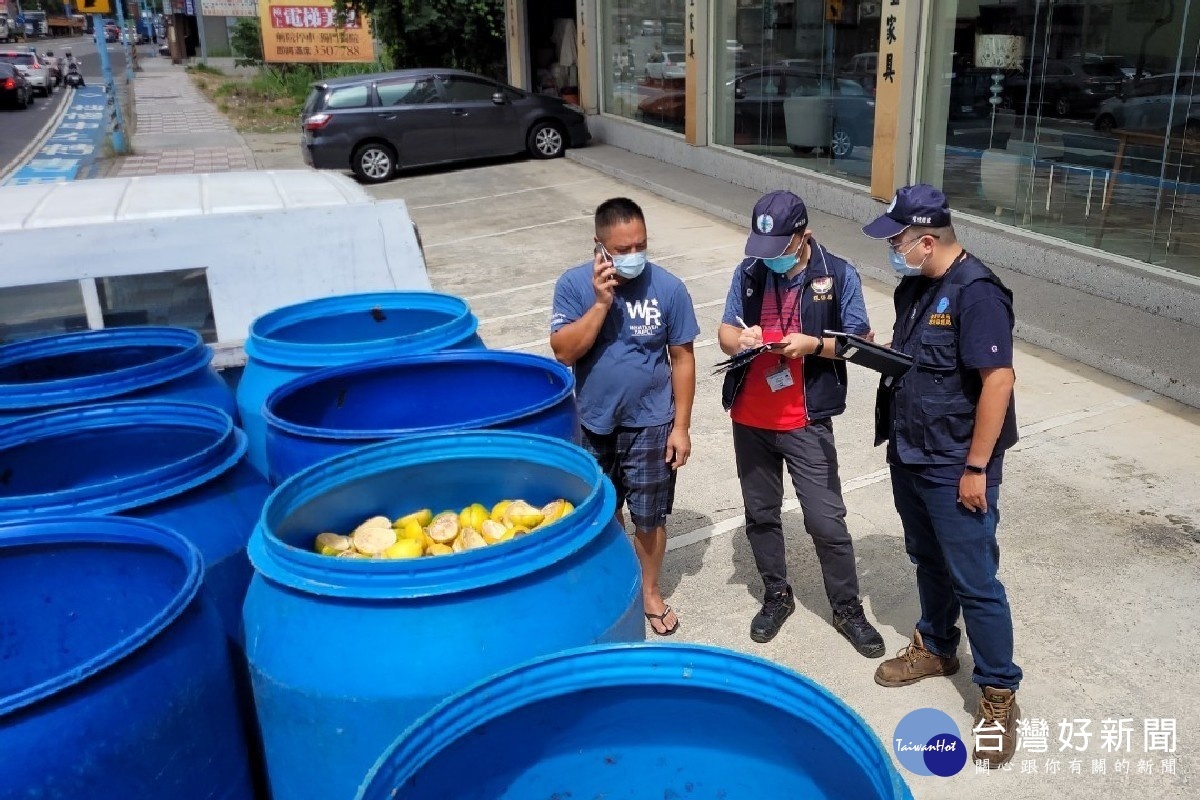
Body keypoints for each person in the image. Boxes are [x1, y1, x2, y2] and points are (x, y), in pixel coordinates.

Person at [861, 183, 1022, 768]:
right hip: (912, 451)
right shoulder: (917, 285)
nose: (894, 248)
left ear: (927, 241)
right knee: (927, 560)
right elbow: (914, 363)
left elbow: (998, 382)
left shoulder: (978, 294)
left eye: (899, 240)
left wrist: (976, 466)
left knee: (975, 579)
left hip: (956, 462)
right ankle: (935, 646)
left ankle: (999, 692)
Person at [716, 189, 885, 656]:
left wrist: (813, 346)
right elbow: (724, 331)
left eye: (779, 250)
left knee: (825, 519)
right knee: (761, 513)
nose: (768, 260)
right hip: (750, 417)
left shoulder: (838, 274)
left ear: (802, 237)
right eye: (762, 250)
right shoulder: (749, 272)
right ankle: (776, 595)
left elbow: (858, 343)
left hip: (805, 420)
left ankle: (847, 608)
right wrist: (739, 340)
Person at [550, 197, 699, 636]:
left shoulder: (669, 288)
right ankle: (620, 580)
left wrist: (683, 427)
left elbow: (683, 358)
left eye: (641, 245)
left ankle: (649, 592)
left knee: (650, 517)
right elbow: (563, 352)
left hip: (652, 422)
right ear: (600, 246)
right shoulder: (574, 286)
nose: (634, 255)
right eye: (623, 248)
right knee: (604, 509)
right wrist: (600, 304)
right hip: (594, 421)